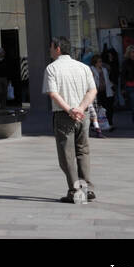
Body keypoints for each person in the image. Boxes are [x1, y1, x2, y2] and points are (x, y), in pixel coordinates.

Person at [44, 36, 97, 203]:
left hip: (63, 115)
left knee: (67, 155)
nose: (50, 50)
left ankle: (75, 190)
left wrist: (69, 110)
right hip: (84, 114)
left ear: (58, 48)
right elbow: (92, 91)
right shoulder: (83, 67)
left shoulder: (52, 68)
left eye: (51, 47)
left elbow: (53, 93)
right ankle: (87, 188)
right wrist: (80, 108)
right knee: (83, 151)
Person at [90, 54, 114, 138]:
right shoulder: (91, 70)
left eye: (101, 62)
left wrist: (111, 88)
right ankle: (96, 125)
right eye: (99, 62)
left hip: (106, 91)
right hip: (97, 92)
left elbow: (107, 80)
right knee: (97, 109)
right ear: (95, 63)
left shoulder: (104, 70)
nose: (101, 63)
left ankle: (109, 124)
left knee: (108, 107)